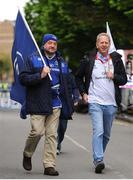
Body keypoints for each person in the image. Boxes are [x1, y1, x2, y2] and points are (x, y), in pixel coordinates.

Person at [19, 33, 74, 176]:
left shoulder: (61, 62)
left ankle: (49, 165)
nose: (53, 46)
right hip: (37, 102)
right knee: (37, 131)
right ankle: (27, 153)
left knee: (51, 135)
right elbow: (23, 79)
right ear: (44, 44)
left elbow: (67, 81)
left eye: (55, 44)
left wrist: (72, 96)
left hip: (56, 103)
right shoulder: (33, 59)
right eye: (50, 43)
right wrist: (41, 75)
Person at [76, 33, 127, 173]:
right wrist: (83, 93)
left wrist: (114, 76)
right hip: (95, 101)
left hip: (111, 103)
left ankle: (99, 156)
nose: (104, 45)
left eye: (106, 42)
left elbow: (123, 79)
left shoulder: (116, 60)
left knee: (106, 135)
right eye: (101, 42)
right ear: (97, 44)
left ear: (109, 44)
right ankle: (98, 159)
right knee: (98, 131)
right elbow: (78, 77)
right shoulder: (89, 59)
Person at [57, 70, 79, 155]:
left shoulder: (68, 73)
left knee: (62, 127)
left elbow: (74, 87)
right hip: (53, 102)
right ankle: (55, 146)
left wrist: (76, 98)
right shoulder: (50, 70)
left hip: (65, 103)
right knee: (53, 126)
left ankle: (58, 141)